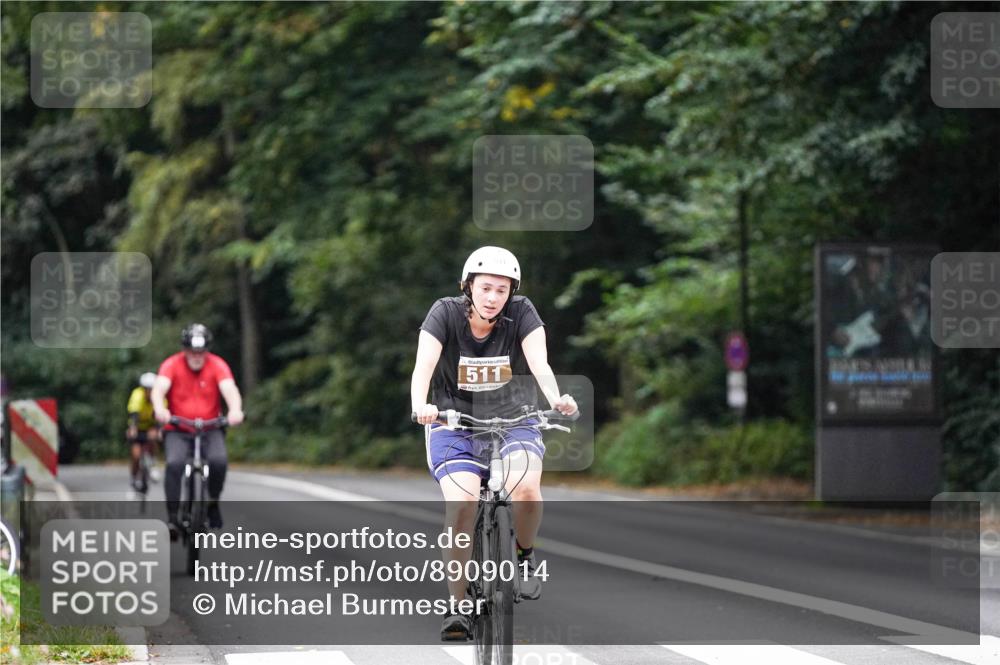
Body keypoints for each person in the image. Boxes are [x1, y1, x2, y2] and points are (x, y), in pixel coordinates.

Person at [411, 246, 578, 641]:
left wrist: (556, 398)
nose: (492, 297)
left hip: (514, 418)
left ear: (511, 292)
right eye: (485, 288)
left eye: (502, 290)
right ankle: (458, 606)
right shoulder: (444, 313)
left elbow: (539, 363)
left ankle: (523, 554)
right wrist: (421, 406)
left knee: (527, 488)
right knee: (462, 505)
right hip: (454, 422)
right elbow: (424, 367)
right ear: (468, 286)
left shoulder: (522, 313)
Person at [152, 323, 244, 534]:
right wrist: (160, 409)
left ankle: (212, 502)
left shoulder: (217, 365)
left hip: (210, 427)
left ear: (207, 350)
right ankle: (173, 517)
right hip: (178, 427)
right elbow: (159, 389)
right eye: (192, 351)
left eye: (201, 351)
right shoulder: (171, 364)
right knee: (174, 464)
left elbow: (229, 389)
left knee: (219, 462)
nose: (196, 356)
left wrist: (235, 410)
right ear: (184, 350)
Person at [127, 372, 162, 492]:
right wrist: (133, 428)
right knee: (136, 455)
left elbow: (161, 414)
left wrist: (157, 429)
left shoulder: (159, 396)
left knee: (154, 438)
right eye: (147, 389)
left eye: (151, 389)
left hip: (151, 426)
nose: (149, 392)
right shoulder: (137, 395)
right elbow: (134, 413)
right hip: (137, 427)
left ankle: (153, 463)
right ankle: (134, 477)